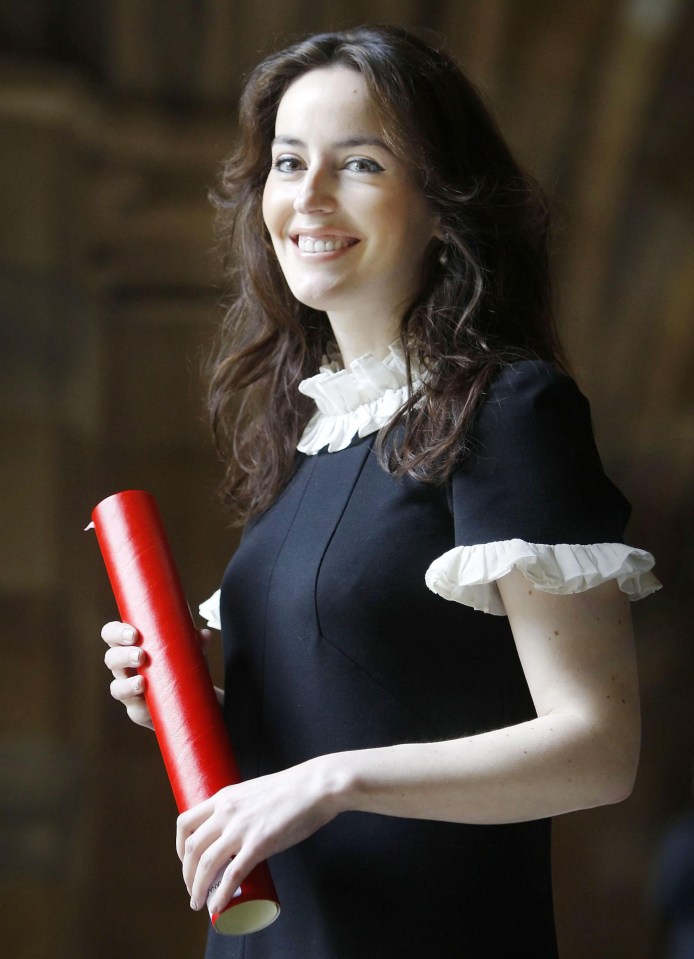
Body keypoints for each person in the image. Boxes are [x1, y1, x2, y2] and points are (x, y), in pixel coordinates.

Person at [101, 24, 661, 958]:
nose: (308, 197)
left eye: (358, 163)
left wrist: (330, 781)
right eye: (288, 162)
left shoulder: (509, 409)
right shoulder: (307, 435)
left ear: (442, 205)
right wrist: (186, 694)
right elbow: (365, 691)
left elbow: (598, 748)